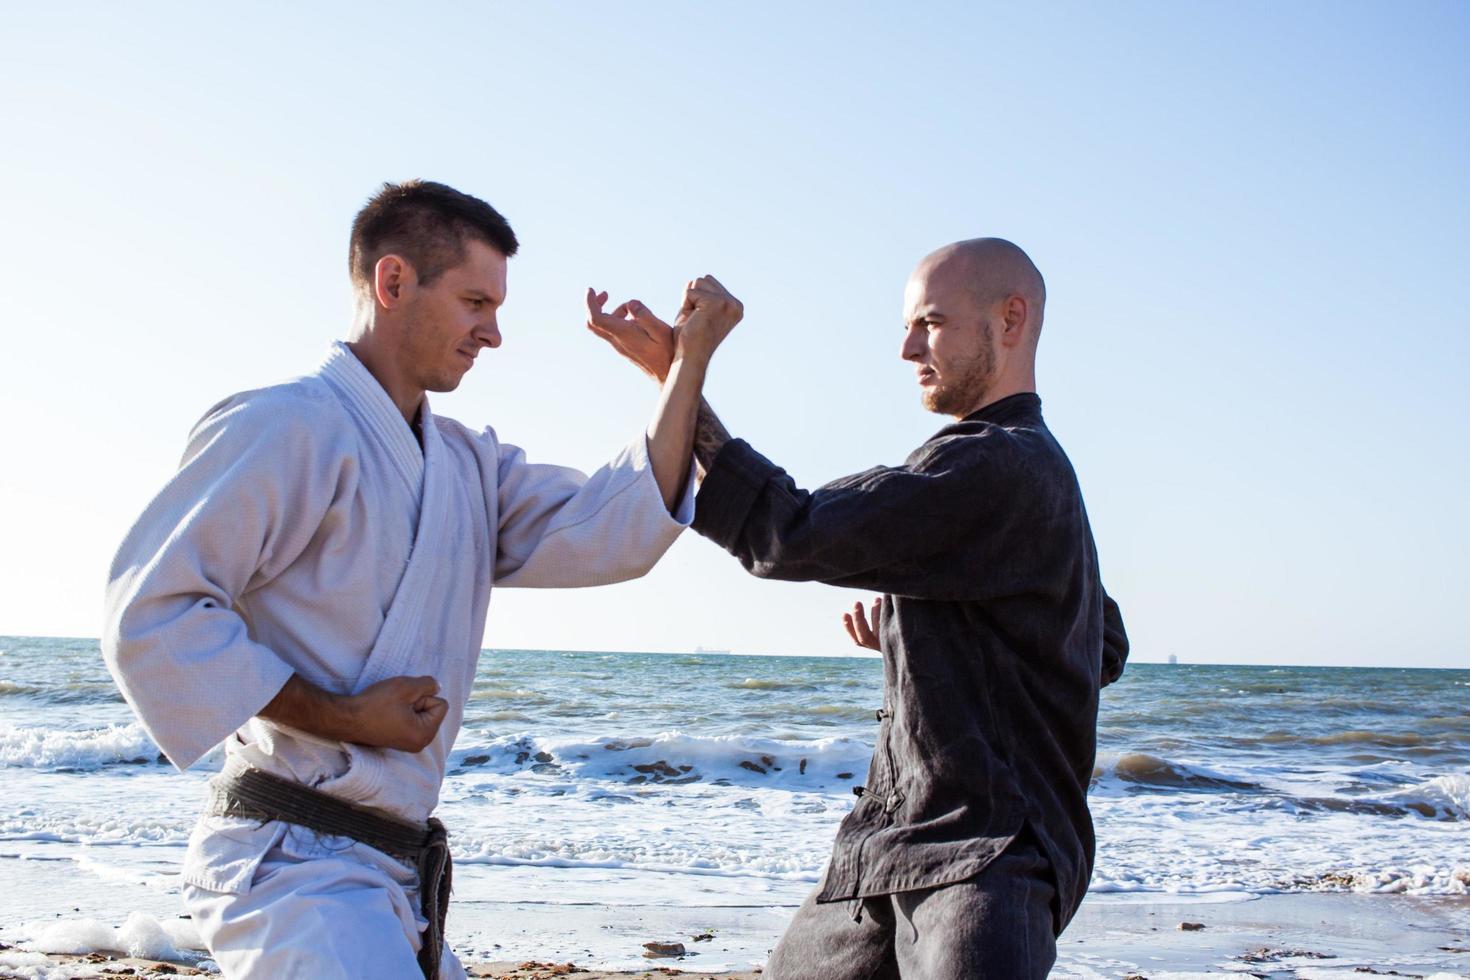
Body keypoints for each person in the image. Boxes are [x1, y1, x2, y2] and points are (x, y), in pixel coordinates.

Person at [101, 179, 743, 979]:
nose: (495, 334)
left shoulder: (467, 467)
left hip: (391, 876)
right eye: (477, 301)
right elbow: (154, 616)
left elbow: (612, 530)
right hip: (291, 864)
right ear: (394, 282)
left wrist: (682, 372)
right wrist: (342, 715)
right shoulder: (284, 426)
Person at [587, 238, 1129, 979]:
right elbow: (1099, 645)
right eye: (908, 326)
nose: (908, 348)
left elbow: (790, 531)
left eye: (930, 324)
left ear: (1011, 318)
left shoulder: (995, 464)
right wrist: (934, 640)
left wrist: (686, 373)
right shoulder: (1034, 474)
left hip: (984, 861)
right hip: (884, 849)